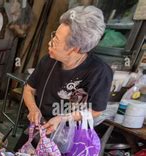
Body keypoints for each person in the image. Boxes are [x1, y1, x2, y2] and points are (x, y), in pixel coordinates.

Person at [21, 5, 113, 140]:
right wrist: (33, 109)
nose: (50, 42)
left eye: (56, 40)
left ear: (74, 49)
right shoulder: (47, 61)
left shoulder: (99, 72)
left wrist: (61, 118)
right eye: (54, 36)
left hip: (69, 135)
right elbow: (28, 90)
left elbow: (95, 110)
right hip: (40, 127)